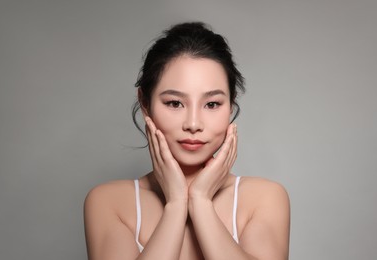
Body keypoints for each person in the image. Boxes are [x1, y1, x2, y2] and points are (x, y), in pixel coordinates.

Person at [84, 22, 290, 260]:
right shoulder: (109, 203)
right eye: (174, 103)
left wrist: (201, 202)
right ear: (145, 103)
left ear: (231, 104)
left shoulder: (264, 199)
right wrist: (176, 204)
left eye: (212, 104)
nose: (193, 124)